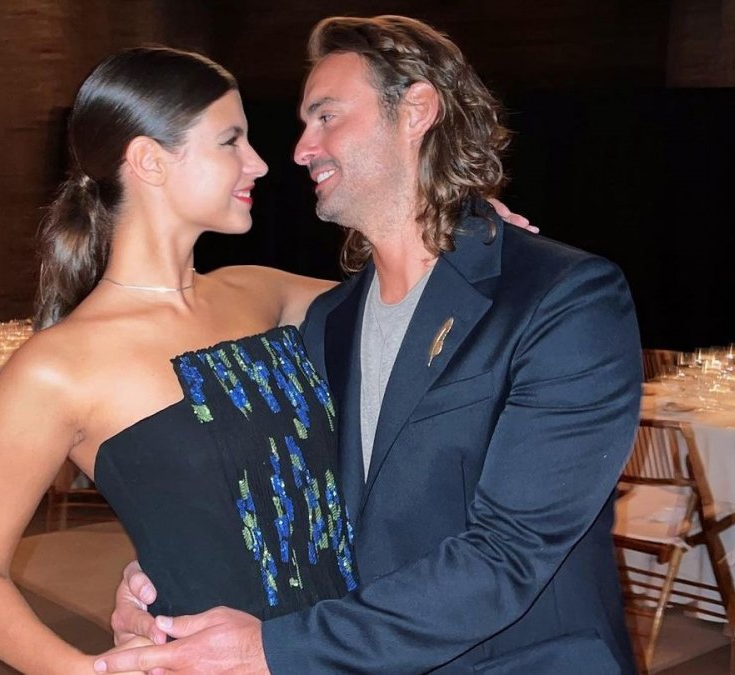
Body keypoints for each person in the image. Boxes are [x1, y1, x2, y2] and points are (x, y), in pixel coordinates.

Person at [0, 42, 535, 674]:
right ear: (148, 161)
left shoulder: (261, 292)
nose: (259, 163)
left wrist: (457, 228)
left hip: (351, 647)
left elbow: (415, 300)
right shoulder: (53, 369)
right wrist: (85, 672)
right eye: (230, 142)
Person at [101, 15, 642, 675]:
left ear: (416, 111)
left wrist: (271, 649)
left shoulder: (560, 297)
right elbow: (283, 497)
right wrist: (156, 576)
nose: (301, 149)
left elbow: (508, 555)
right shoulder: (328, 322)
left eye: (326, 116)